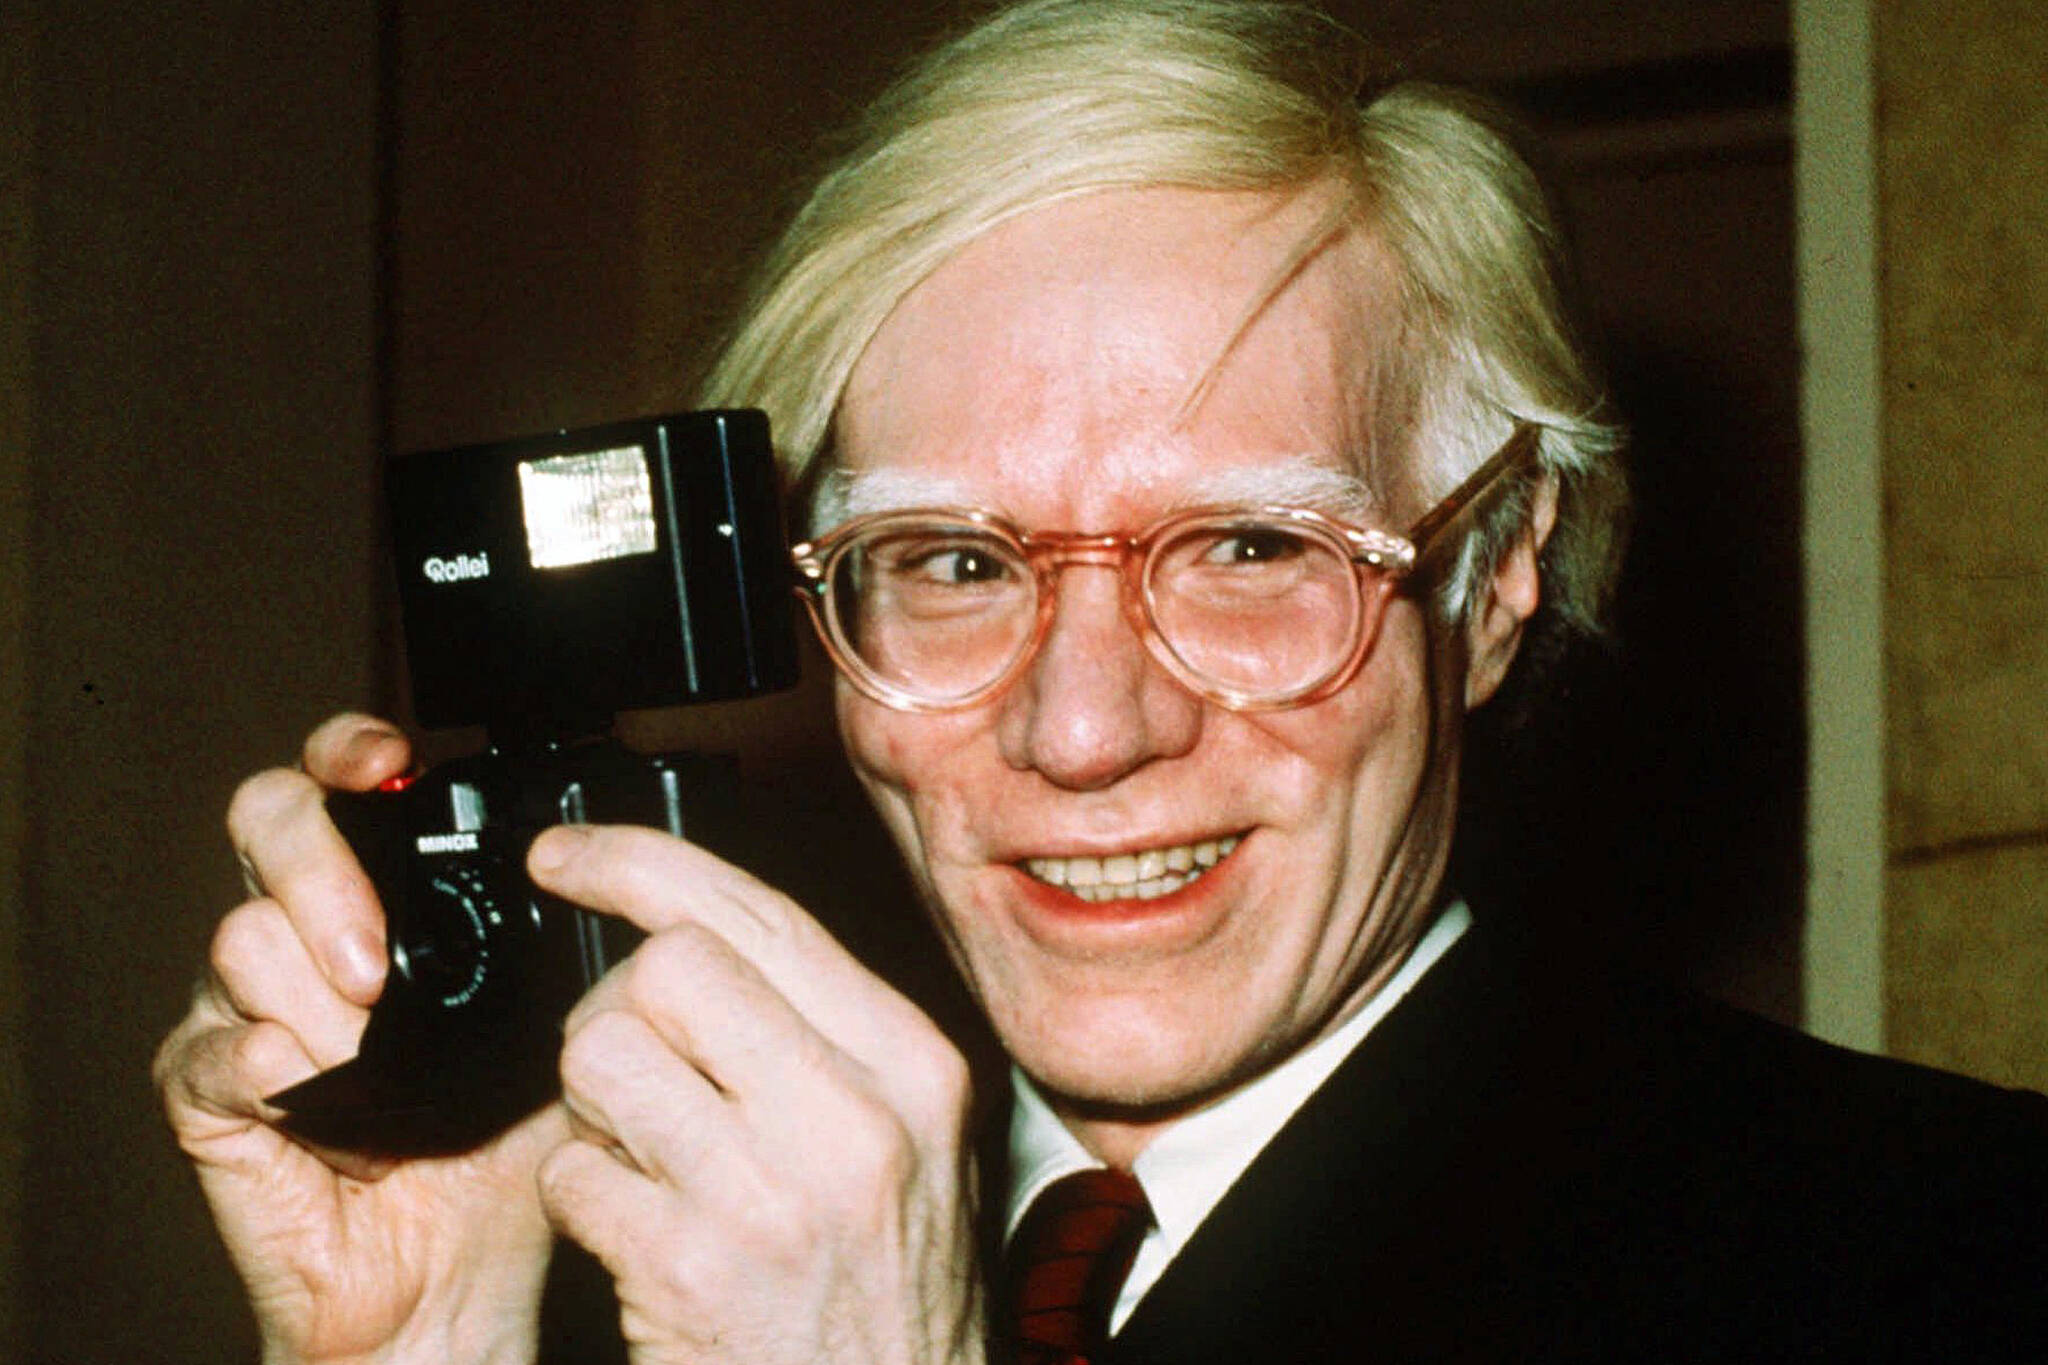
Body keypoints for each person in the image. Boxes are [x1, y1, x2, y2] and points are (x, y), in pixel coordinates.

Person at [155, 1, 2048, 1361]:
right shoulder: (659, 1223)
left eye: (1251, 549)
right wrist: (427, 1344)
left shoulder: (1935, 1265)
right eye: (957, 565)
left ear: (1491, 579)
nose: (1081, 731)